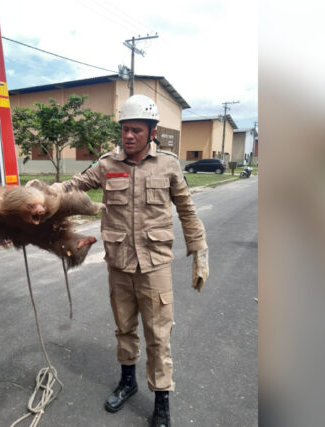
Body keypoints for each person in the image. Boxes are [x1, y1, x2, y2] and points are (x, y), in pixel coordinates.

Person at [50, 94, 209, 426]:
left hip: (155, 266)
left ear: (152, 131)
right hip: (119, 263)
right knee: (124, 328)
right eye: (124, 129)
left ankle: (162, 400)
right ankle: (128, 382)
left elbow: (187, 212)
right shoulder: (108, 165)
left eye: (136, 129)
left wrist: (200, 254)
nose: (128, 135)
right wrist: (44, 194)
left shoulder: (168, 165)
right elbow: (75, 185)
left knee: (158, 335)